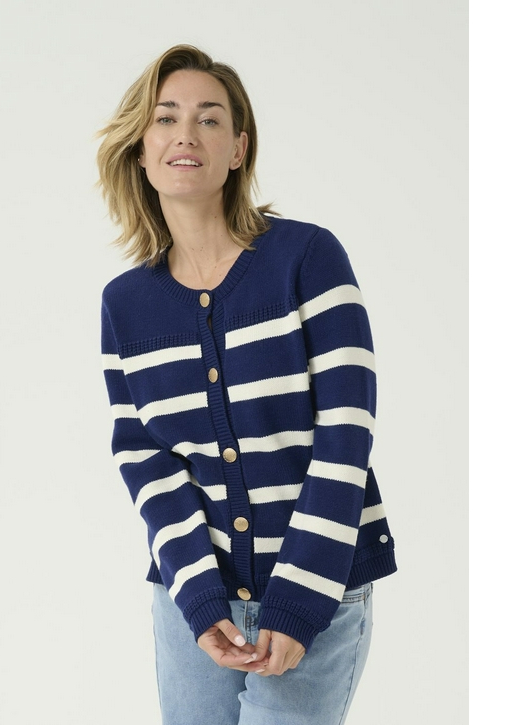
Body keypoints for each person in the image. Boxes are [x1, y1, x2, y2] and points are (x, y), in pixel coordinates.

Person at [96, 44, 397, 725]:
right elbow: (145, 458)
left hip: (318, 588)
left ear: (237, 148)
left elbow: (346, 433)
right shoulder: (125, 304)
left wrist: (298, 600)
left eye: (209, 119)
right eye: (165, 117)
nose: (185, 133)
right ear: (141, 148)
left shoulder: (307, 258)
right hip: (194, 605)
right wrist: (199, 597)